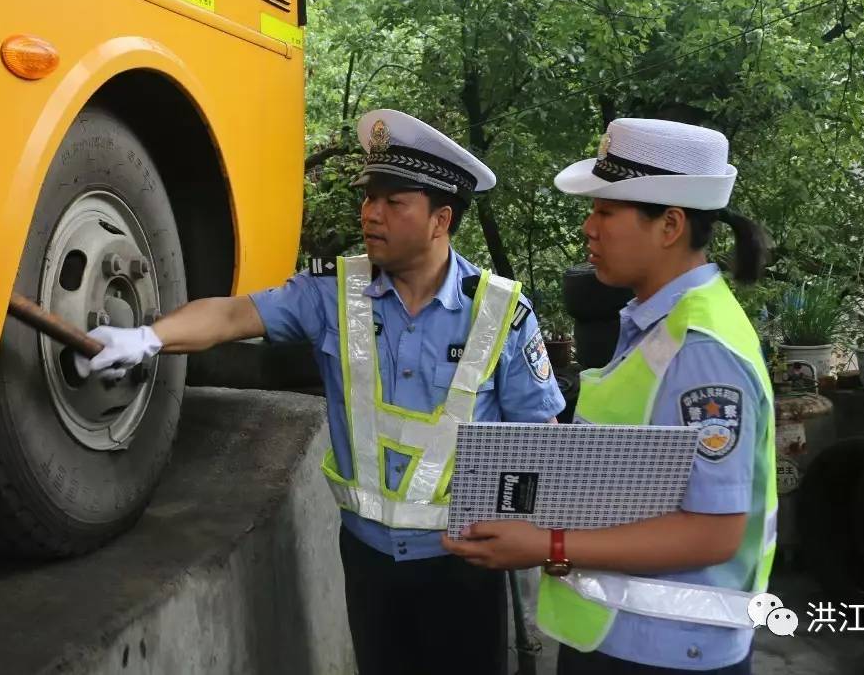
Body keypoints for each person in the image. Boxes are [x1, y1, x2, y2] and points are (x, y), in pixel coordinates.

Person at [78, 109, 565, 674]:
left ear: (441, 219)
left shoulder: (501, 312)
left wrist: (543, 542)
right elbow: (236, 314)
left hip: (465, 565)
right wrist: (147, 337)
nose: (370, 214)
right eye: (368, 198)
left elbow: (540, 441)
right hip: (366, 561)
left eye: (393, 202)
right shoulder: (334, 293)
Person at [443, 117, 776, 674]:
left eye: (605, 211)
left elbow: (717, 532)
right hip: (622, 638)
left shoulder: (701, 350)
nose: (587, 228)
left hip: (667, 651)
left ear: (669, 225)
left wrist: (548, 545)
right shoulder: (656, 323)